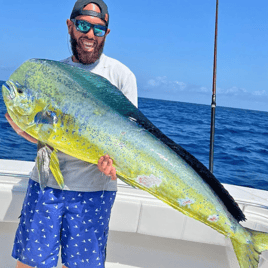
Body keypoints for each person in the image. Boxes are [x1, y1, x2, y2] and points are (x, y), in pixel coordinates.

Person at [6, 0, 138, 267]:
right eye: (83, 26)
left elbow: (129, 143)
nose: (90, 35)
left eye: (98, 30)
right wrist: (24, 131)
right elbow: (48, 135)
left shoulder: (122, 76)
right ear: (70, 26)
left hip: (95, 192)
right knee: (29, 264)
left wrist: (116, 167)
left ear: (107, 33)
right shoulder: (54, 75)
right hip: (45, 186)